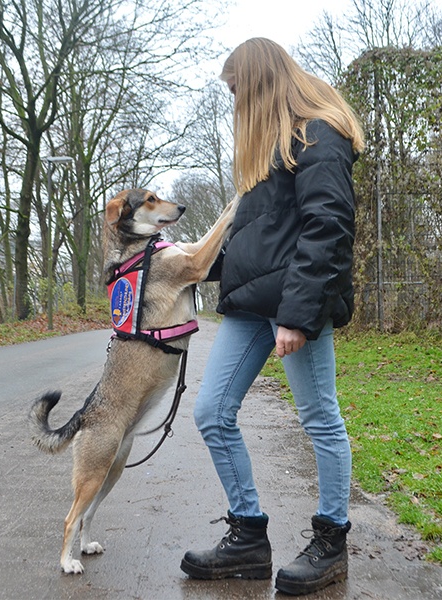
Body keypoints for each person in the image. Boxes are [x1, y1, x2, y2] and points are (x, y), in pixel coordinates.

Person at [179, 38, 365, 596]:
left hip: (293, 307)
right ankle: (248, 538)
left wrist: (298, 317)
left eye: (237, 90)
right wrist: (183, 266)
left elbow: (327, 231)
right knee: (212, 413)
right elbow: (258, 240)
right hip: (250, 306)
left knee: (319, 419)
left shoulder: (319, 135)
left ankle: (331, 541)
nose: (234, 102)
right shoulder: (266, 150)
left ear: (257, 83)